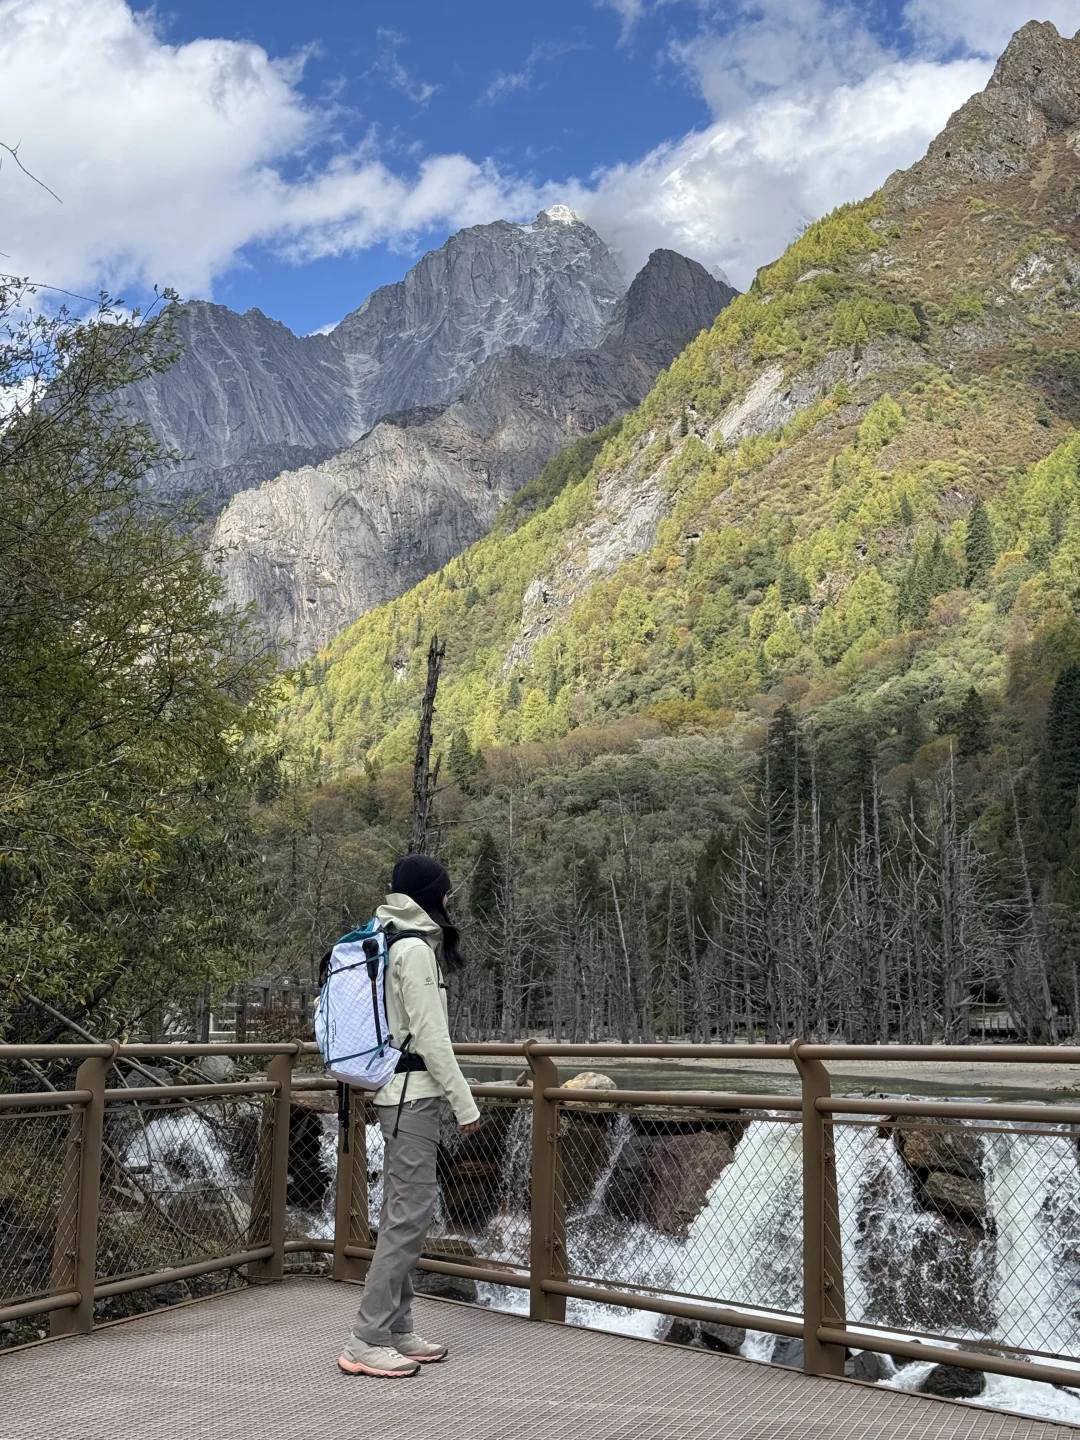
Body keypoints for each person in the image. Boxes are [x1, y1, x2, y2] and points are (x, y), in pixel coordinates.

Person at [338, 853, 481, 1378]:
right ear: (427, 895)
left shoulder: (392, 939)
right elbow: (431, 1037)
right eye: (444, 892)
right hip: (412, 1099)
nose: (448, 901)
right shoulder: (415, 950)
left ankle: (398, 1328)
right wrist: (465, 1104)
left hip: (394, 1095)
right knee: (407, 1219)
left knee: (404, 1213)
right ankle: (365, 1338)